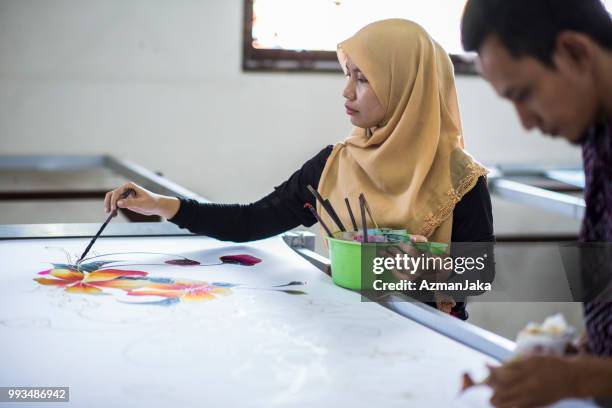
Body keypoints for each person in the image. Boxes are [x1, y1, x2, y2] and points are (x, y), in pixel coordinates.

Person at [105, 19, 493, 318]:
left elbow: (477, 277)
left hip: (430, 345)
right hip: (348, 333)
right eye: (347, 74)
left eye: (363, 78)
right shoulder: (333, 166)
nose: (346, 91)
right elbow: (253, 221)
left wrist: (408, 267)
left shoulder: (460, 180)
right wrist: (163, 206)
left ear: (406, 85)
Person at [461, 0, 612, 406]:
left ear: (575, 53)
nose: (525, 121)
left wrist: (580, 379)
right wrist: (594, 344)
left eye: (524, 94)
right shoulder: (595, 130)